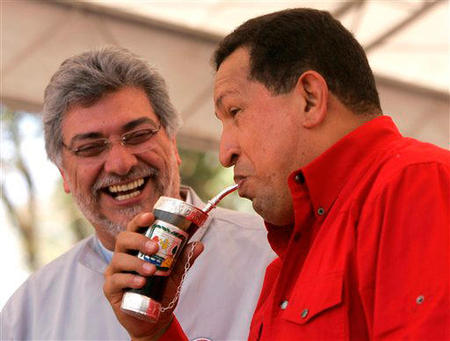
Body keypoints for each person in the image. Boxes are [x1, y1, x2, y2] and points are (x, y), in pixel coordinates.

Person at [104, 8, 450, 341]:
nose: (225, 154)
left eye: (235, 111)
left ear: (310, 99)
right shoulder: (291, 255)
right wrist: (157, 332)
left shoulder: (417, 182)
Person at [0, 47, 275, 341]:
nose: (121, 164)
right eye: (91, 147)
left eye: (139, 135)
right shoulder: (30, 313)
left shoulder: (270, 254)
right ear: (63, 172)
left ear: (172, 141)